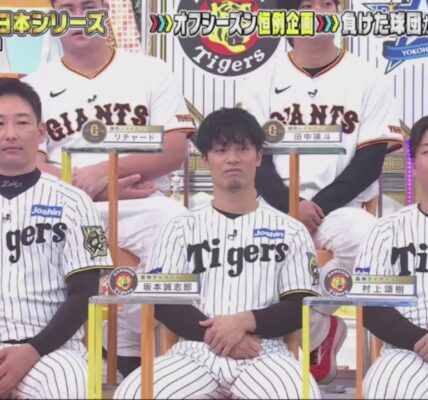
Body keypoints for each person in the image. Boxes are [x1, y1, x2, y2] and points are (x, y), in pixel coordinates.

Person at [22, 0, 195, 377]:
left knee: (180, 225)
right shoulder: (35, 84)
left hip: (143, 203)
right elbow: (30, 163)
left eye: (89, 7)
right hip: (67, 206)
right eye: (67, 9)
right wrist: (94, 188)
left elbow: (174, 149)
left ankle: (152, 352)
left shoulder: (150, 70)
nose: (80, 18)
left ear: (106, 11)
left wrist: (105, 171)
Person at [242, 0, 403, 383]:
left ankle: (322, 328)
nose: (317, 12)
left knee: (373, 242)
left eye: (326, 3)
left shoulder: (367, 77)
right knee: (247, 271)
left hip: (341, 209)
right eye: (306, 5)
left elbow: (369, 161)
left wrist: (314, 208)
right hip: (274, 209)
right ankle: (316, 335)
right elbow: (255, 159)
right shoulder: (261, 78)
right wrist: (291, 206)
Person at [113, 107, 321, 399]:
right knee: (134, 393)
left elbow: (299, 306)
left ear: (259, 156)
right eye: (221, 150)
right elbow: (163, 302)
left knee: (298, 394)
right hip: (193, 352)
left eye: (242, 149)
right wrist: (219, 337)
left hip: (264, 351)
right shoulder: (179, 228)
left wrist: (245, 321)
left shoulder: (291, 230)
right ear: (206, 159)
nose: (232, 158)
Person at [0, 78, 112, 399]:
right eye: (0, 123)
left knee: (69, 386)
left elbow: (85, 292)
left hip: (53, 351)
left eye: (22, 122)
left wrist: (33, 349)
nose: (10, 133)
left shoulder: (75, 201)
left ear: (40, 133)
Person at [355, 116, 428, 399]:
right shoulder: (386, 229)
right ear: (414, 164)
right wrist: (419, 339)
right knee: (387, 387)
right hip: (406, 350)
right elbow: (369, 304)